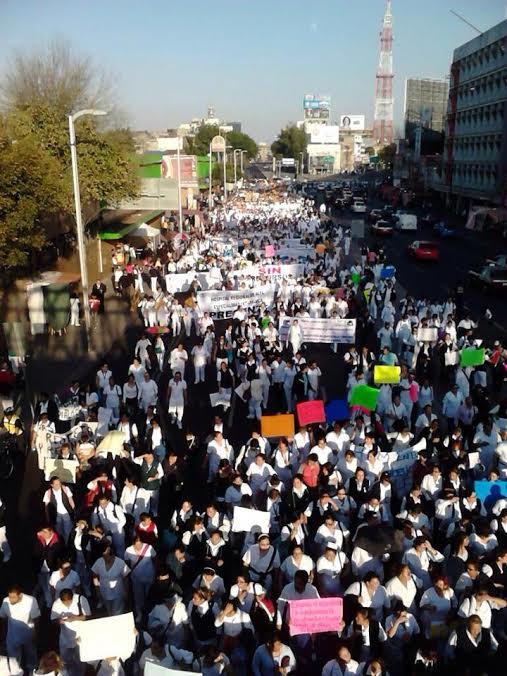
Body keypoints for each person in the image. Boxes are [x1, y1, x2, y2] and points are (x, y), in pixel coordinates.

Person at [0, 585, 40, 672]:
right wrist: (3, 634)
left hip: (28, 635)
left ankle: (32, 672)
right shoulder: (5, 601)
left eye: (13, 597)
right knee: (13, 661)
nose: (11, 600)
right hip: (12, 636)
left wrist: (35, 633)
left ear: (20, 595)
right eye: (10, 597)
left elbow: (36, 618)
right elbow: (3, 618)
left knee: (31, 657)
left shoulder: (31, 600)